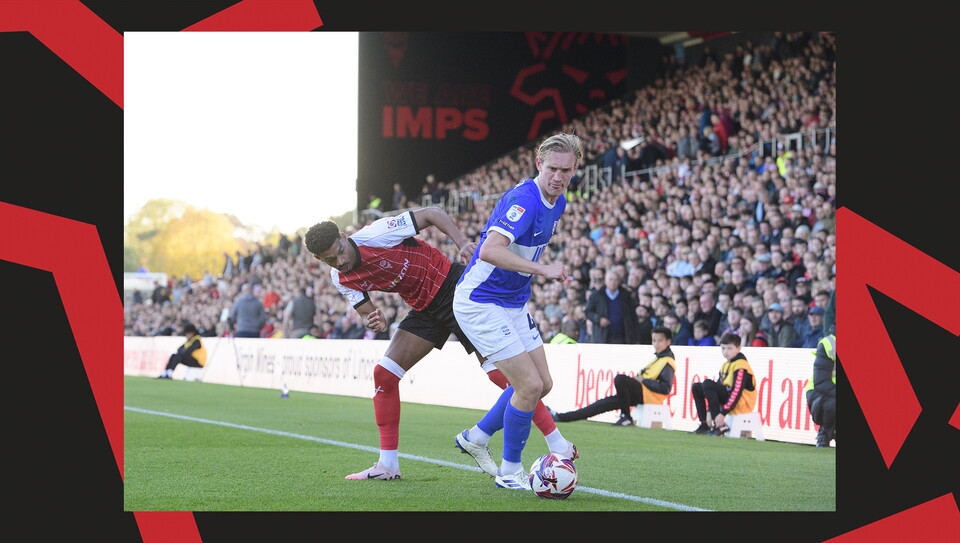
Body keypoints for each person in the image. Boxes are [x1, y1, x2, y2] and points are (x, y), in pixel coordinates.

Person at [304, 206, 577, 481]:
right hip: (424, 308)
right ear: (319, 258)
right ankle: (388, 465)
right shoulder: (340, 278)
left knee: (509, 379)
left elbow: (432, 213)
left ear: (343, 235)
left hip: (455, 290)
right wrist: (372, 319)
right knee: (384, 375)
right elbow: (368, 312)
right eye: (330, 259)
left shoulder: (375, 234)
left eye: (340, 250)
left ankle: (555, 443)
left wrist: (462, 244)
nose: (340, 261)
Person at [452, 132, 581, 490]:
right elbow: (491, 250)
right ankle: (510, 471)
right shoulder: (524, 199)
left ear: (574, 170)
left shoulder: (559, 202)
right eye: (552, 168)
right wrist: (544, 270)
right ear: (539, 164)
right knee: (528, 385)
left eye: (566, 170)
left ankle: (476, 437)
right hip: (480, 301)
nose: (558, 176)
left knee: (544, 385)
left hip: (511, 302)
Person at [548, 326, 676, 426]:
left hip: (648, 397)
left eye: (660, 340)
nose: (656, 343)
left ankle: (626, 417)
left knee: (620, 379)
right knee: (600, 405)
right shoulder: (659, 358)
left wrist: (643, 380)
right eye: (654, 340)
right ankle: (560, 417)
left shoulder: (667, 362)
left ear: (668, 342)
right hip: (641, 394)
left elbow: (665, 389)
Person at [689, 333, 757, 436]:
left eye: (729, 348)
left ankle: (718, 427)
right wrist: (709, 412)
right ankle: (704, 425)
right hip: (729, 400)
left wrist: (722, 414)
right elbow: (713, 391)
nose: (726, 352)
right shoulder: (726, 365)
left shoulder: (741, 366)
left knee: (707, 383)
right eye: (723, 348)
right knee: (697, 387)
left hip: (741, 404)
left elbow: (736, 392)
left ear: (738, 348)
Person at [584, 269, 640, 344]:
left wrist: (635, 338)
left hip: (622, 337)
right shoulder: (596, 295)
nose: (613, 282)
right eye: (610, 280)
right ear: (605, 281)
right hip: (603, 337)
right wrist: (598, 319)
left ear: (619, 282)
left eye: (616, 280)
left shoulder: (626, 295)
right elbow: (588, 312)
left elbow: (633, 316)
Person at [804, 332, 837, 447]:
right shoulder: (830, 344)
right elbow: (820, 382)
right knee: (833, 404)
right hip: (819, 394)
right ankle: (825, 431)